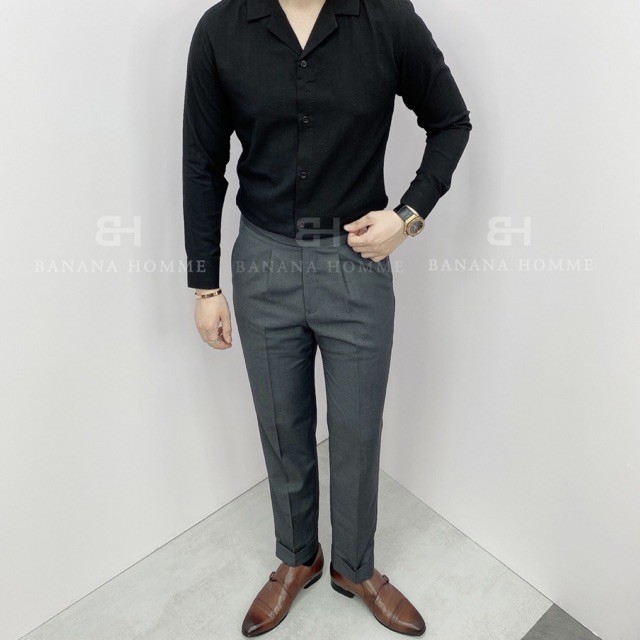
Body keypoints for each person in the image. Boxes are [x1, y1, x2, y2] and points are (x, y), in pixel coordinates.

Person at [182, 0, 471, 635]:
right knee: (282, 426)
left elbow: (451, 121)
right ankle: (297, 557)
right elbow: (202, 162)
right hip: (262, 263)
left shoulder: (387, 19)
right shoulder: (221, 28)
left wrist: (408, 217)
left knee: (358, 428)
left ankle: (355, 566)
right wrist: (204, 285)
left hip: (356, 262)